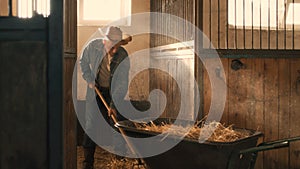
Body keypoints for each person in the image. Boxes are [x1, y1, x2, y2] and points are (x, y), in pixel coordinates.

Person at [79, 26, 131, 169]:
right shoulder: (92, 47)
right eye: (112, 47)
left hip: (114, 93)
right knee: (90, 126)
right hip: (95, 91)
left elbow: (122, 83)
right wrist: (89, 78)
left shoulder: (123, 56)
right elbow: (82, 62)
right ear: (104, 41)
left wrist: (114, 105)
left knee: (116, 124)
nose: (115, 51)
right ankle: (87, 164)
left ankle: (119, 162)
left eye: (117, 47)